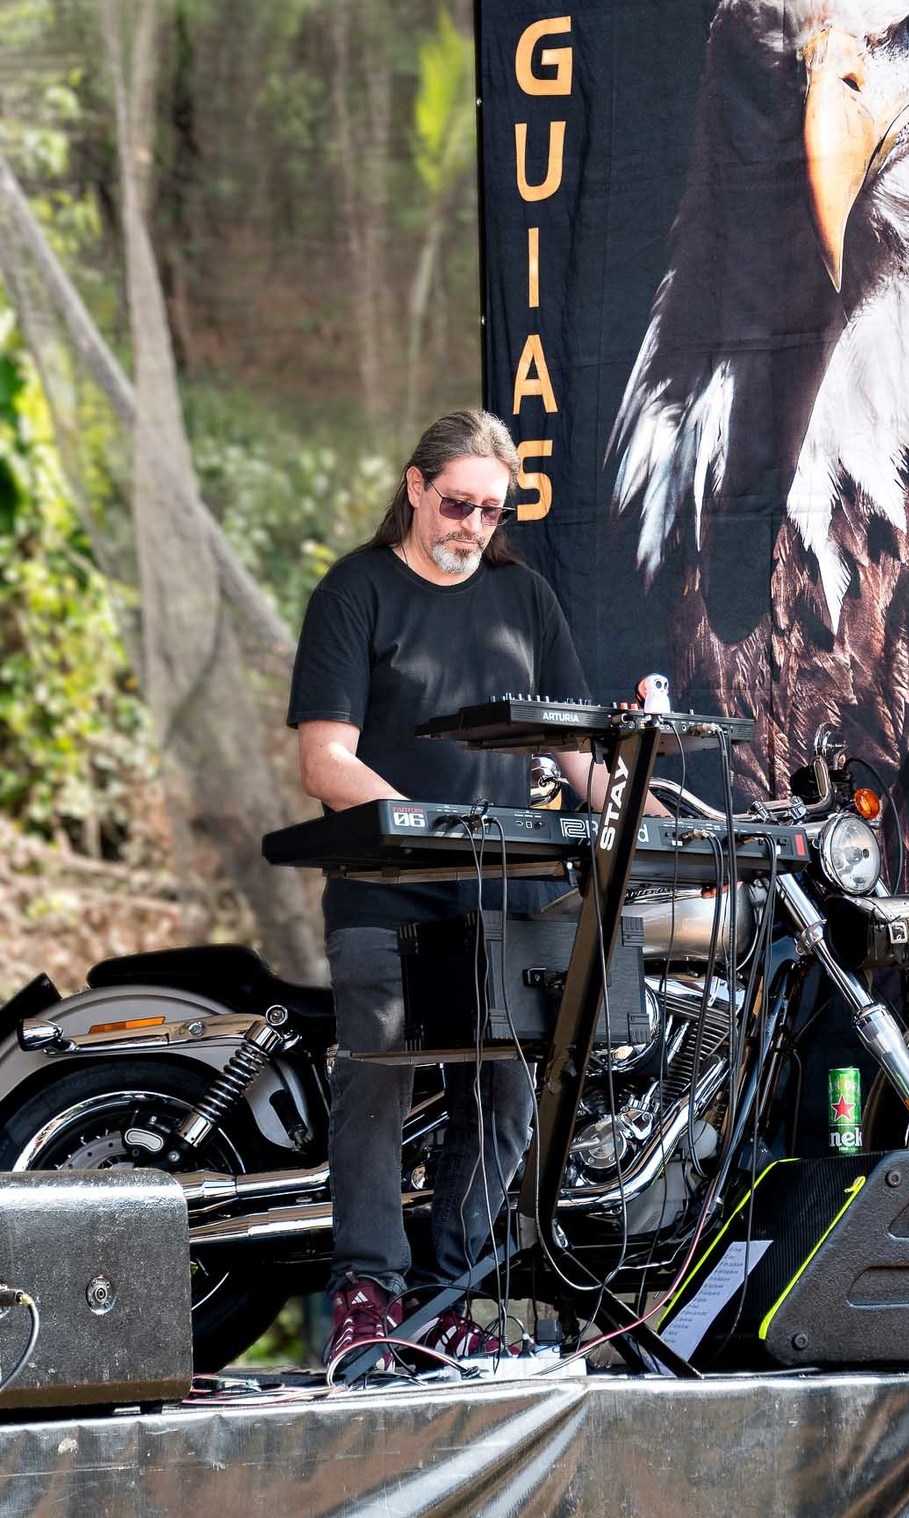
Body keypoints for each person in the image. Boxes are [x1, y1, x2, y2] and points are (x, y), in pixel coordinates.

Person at [287, 409, 622, 1368]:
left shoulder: (525, 599)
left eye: (492, 511)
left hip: (503, 900)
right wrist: (417, 825)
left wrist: (636, 808)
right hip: (384, 891)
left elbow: (575, 744)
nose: (473, 526)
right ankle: (366, 1297)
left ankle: (450, 1299)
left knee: (506, 1092)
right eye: (457, 504)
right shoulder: (356, 591)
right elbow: (324, 760)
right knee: (378, 1079)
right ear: (413, 487)